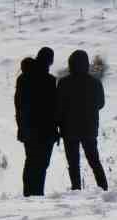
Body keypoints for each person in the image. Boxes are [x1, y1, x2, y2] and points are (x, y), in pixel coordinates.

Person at [55, 49, 108, 191]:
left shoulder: (64, 83)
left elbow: (58, 107)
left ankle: (76, 189)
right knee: (94, 161)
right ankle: (103, 188)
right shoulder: (95, 82)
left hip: (69, 129)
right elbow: (101, 104)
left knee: (73, 163)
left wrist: (58, 125)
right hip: (89, 128)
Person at [14, 46, 58, 196]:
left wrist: (21, 126)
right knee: (42, 164)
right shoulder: (50, 80)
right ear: (50, 61)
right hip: (47, 129)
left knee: (31, 162)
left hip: (28, 128)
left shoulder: (23, 78)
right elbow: (54, 107)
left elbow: (19, 104)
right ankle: (37, 194)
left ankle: (29, 193)